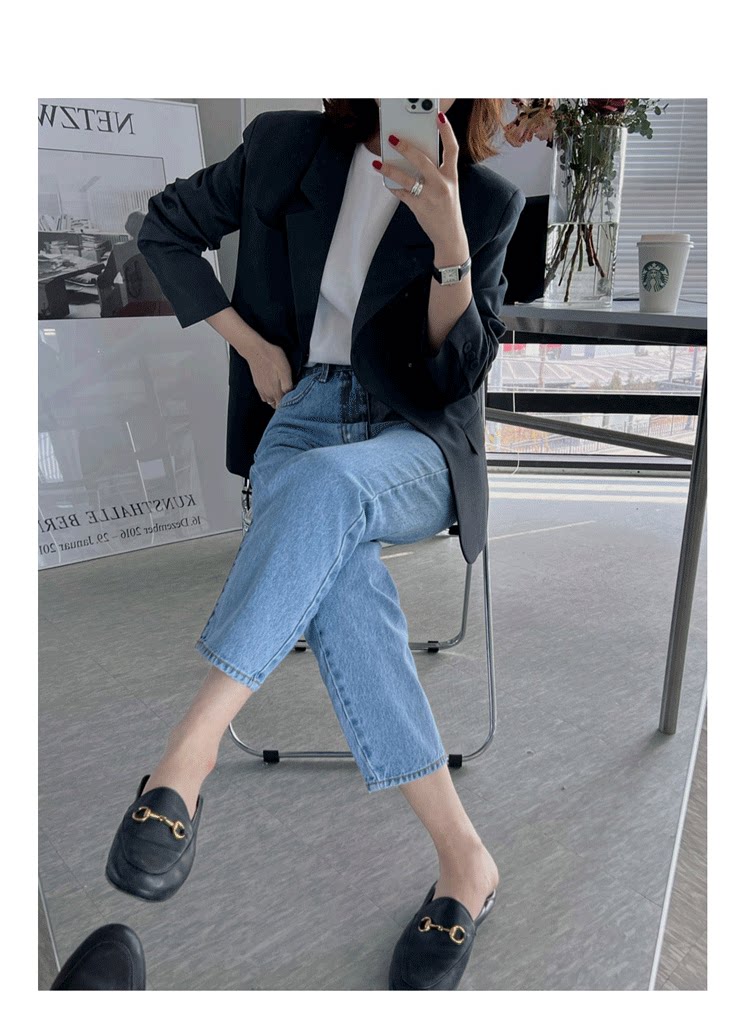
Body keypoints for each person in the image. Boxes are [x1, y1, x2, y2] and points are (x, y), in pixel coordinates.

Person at [105, 98, 525, 991]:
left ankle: (186, 759)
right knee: (339, 571)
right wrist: (253, 346)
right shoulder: (284, 145)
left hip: (415, 438)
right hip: (300, 412)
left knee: (327, 492)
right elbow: (164, 230)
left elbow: (455, 373)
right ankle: (465, 861)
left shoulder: (488, 202)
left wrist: (449, 238)